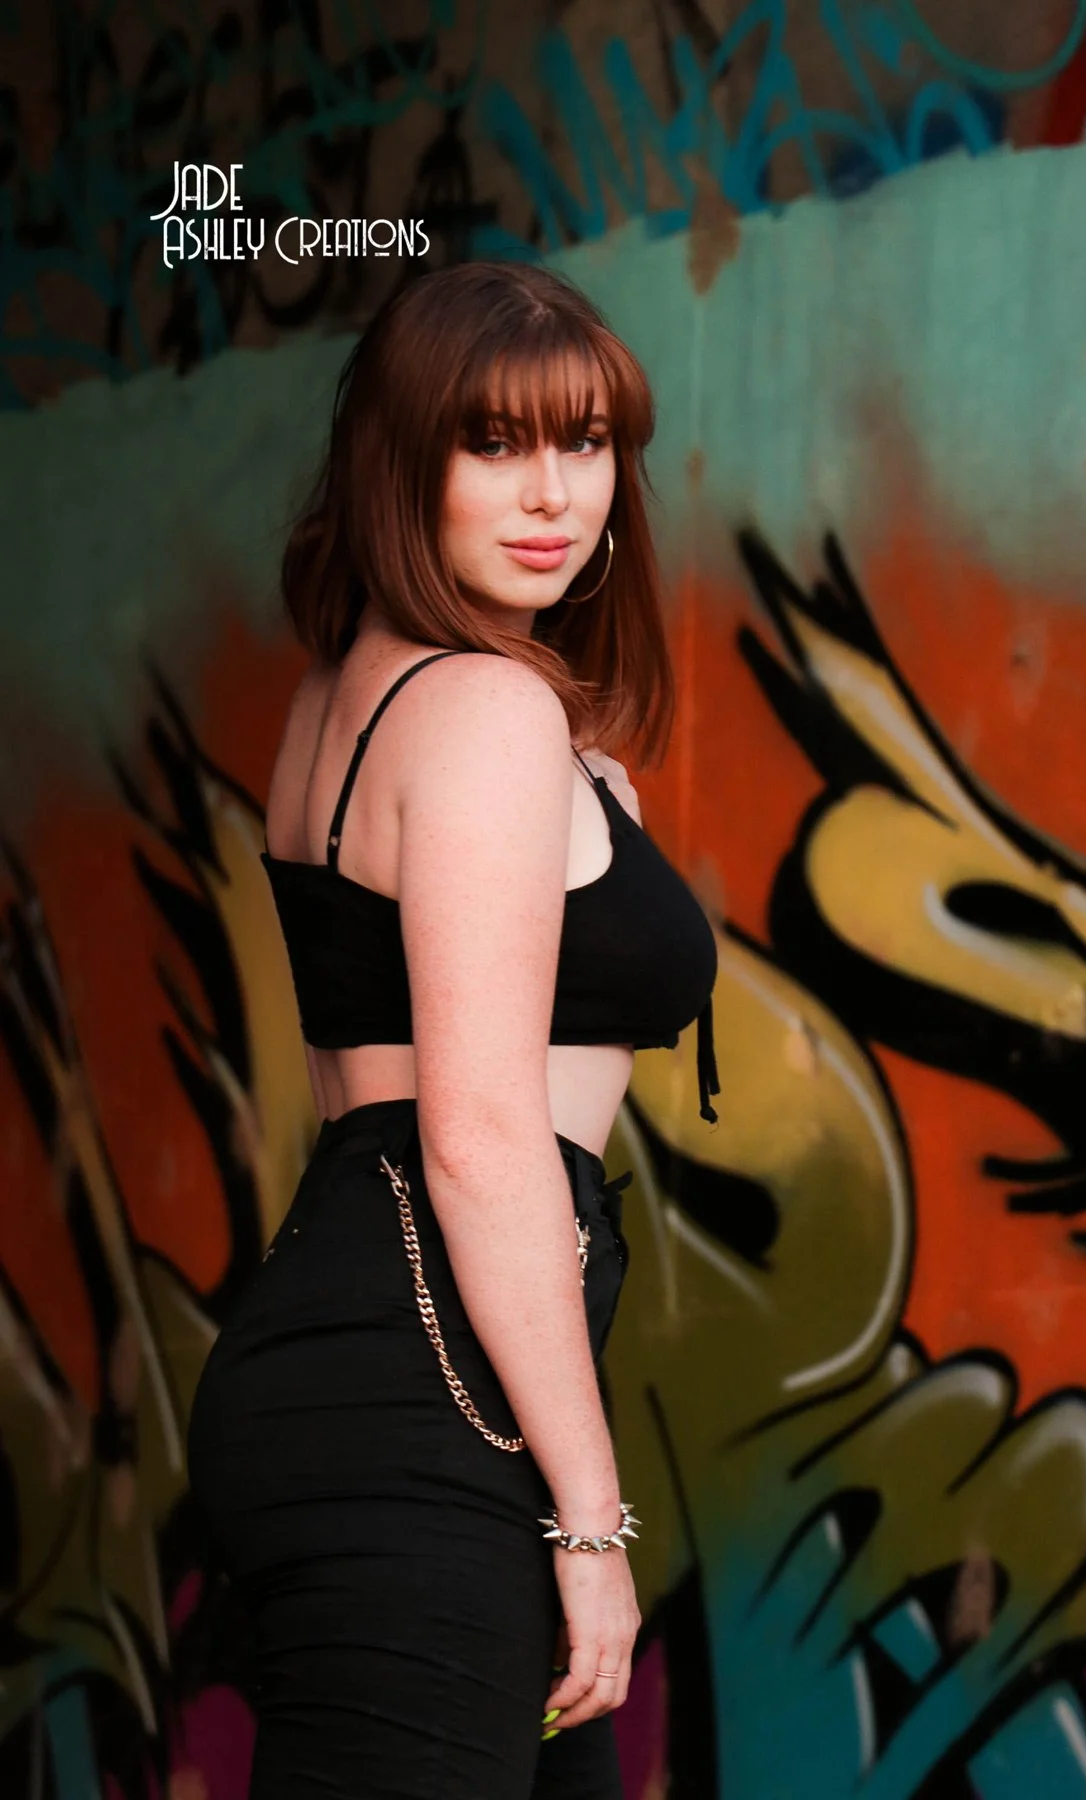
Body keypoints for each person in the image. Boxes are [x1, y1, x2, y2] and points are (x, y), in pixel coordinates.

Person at [186, 261, 720, 1800]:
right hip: (432, 1400)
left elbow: (355, 1083)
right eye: (493, 443)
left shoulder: (343, 704)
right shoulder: (484, 710)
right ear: (396, 462)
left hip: (381, 1359)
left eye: (588, 441)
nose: (554, 491)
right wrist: (593, 1517)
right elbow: (480, 1141)